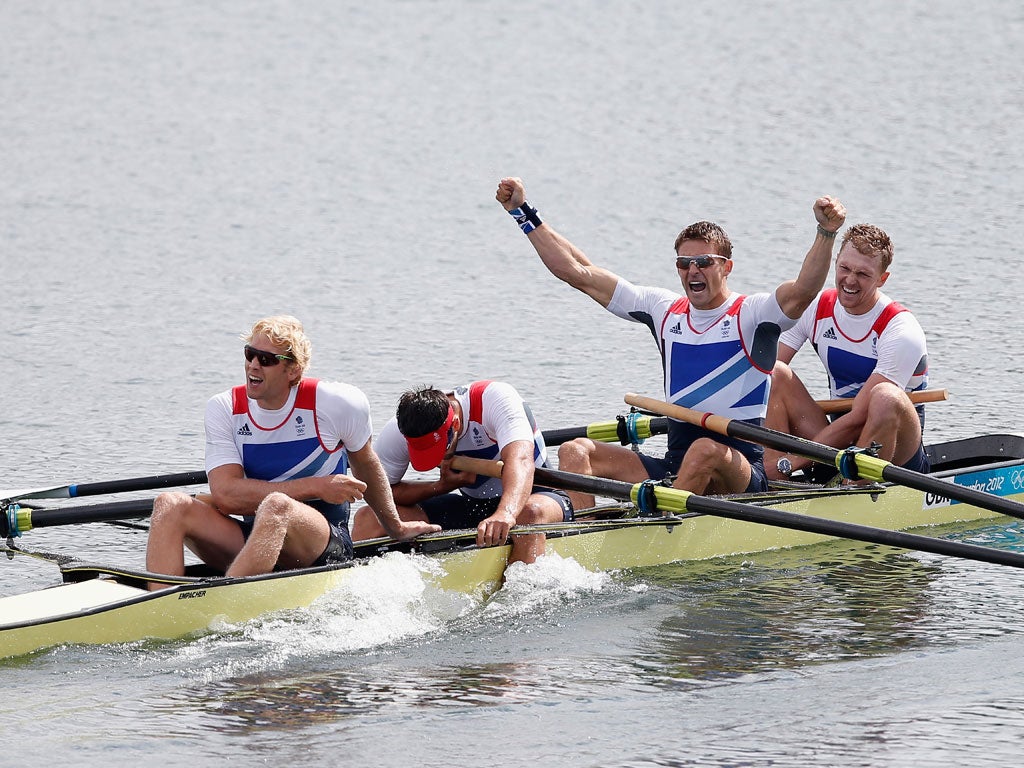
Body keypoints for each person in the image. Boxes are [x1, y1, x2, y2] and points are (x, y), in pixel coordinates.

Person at [494, 176, 846, 509]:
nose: (693, 270)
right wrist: (522, 212)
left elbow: (802, 291)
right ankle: (576, 537)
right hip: (676, 465)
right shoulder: (664, 311)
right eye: (684, 263)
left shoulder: (752, 314)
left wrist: (825, 233)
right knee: (575, 451)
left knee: (705, 449)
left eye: (705, 262)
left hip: (740, 474)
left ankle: (658, 524)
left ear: (727, 267)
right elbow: (579, 273)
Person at [145, 315, 439, 588]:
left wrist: (396, 528)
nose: (253, 366)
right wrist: (316, 486)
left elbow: (366, 467)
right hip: (254, 539)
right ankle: (156, 609)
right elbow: (225, 494)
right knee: (169, 504)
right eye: (250, 354)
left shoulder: (336, 404)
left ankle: (225, 601)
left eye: (267, 359)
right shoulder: (224, 408)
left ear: (293, 370)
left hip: (322, 545)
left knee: (277, 506)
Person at [763, 223, 929, 481]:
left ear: (882, 279)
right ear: (835, 262)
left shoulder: (901, 329)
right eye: (845, 268)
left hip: (897, 452)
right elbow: (760, 376)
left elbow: (857, 419)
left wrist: (794, 461)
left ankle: (858, 487)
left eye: (863, 274)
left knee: (885, 397)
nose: (850, 280)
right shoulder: (817, 308)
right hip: (837, 441)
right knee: (773, 373)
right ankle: (772, 482)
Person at [350, 381, 573, 565]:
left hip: (540, 497)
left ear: (455, 423)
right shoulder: (400, 429)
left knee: (529, 514)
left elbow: (522, 460)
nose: (437, 459)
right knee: (369, 517)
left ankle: (515, 601)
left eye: (439, 449)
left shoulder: (494, 400)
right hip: (474, 506)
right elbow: (381, 493)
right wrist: (441, 487)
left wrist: (506, 512)